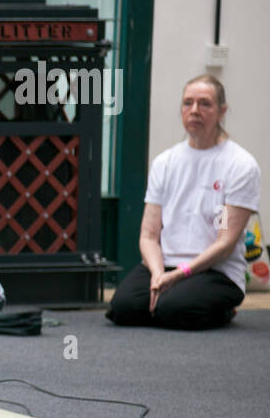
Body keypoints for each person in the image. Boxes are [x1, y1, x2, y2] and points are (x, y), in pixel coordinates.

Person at [106, 74, 260, 329]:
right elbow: (149, 235)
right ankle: (169, 297)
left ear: (222, 111)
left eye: (205, 104)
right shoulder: (165, 162)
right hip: (165, 264)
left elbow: (225, 243)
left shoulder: (241, 165)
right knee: (123, 308)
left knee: (174, 309)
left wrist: (180, 275)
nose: (195, 111)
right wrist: (157, 274)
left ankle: (223, 309)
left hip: (216, 271)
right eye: (188, 103)